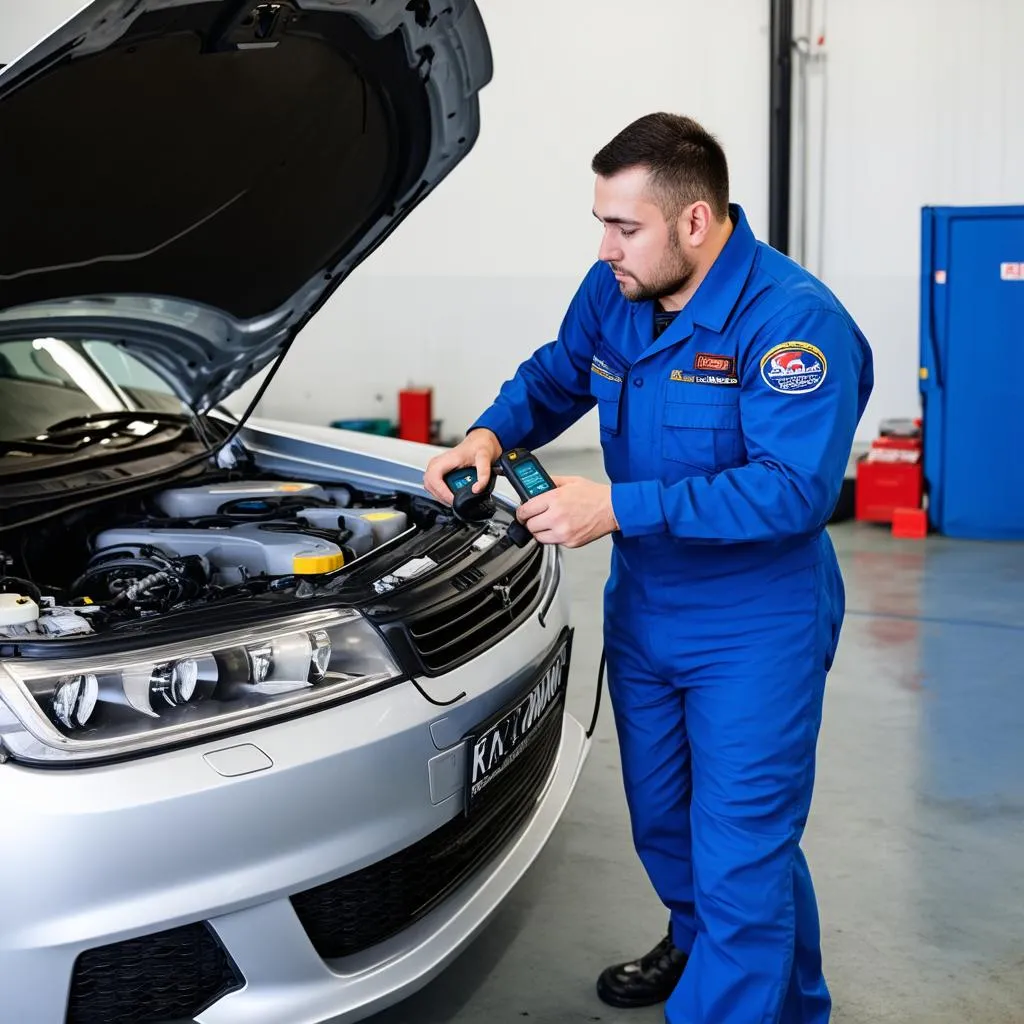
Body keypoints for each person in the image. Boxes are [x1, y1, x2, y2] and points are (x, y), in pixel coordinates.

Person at [423, 112, 873, 1024]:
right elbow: (559, 373)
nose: (605, 247)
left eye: (624, 227)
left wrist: (618, 506)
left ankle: (734, 998)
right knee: (670, 828)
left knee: (742, 853)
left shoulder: (793, 323)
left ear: (696, 222)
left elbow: (793, 491)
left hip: (757, 623)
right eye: (601, 222)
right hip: (648, 609)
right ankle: (750, 974)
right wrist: (489, 432)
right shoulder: (616, 291)